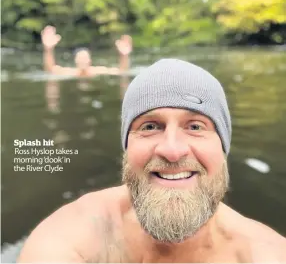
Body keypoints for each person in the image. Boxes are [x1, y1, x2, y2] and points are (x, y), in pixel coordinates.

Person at [18, 59, 286, 263]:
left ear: (223, 147)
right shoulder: (72, 239)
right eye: (149, 126)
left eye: (195, 126)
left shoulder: (265, 254)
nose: (172, 150)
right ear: (126, 148)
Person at [41, 25, 132, 77]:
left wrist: (124, 56)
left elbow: (121, 71)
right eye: (80, 58)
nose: (82, 60)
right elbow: (51, 69)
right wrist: (48, 50)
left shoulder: (98, 71)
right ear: (75, 61)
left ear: (90, 61)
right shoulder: (70, 72)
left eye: (85, 58)